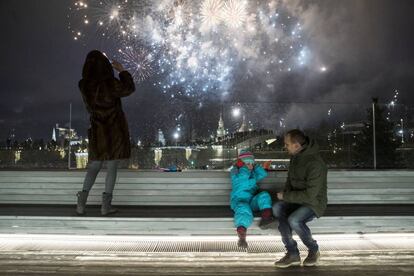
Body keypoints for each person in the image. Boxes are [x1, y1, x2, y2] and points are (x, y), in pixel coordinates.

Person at [76, 50, 135, 216]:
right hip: (114, 130)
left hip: (97, 130)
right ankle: (105, 206)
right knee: (112, 167)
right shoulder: (110, 83)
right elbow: (129, 88)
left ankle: (81, 204)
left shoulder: (83, 85)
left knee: (94, 166)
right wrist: (122, 70)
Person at [273, 129, 327, 268]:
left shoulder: (315, 164)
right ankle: (292, 253)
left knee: (294, 220)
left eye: (287, 144)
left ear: (297, 145)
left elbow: (310, 195)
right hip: (297, 201)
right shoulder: (295, 157)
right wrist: (286, 195)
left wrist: (286, 196)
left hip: (313, 203)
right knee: (278, 208)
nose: (285, 147)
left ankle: (314, 250)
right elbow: (289, 181)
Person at [230, 150, 276, 248]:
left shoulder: (251, 173)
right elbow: (242, 181)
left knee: (264, 195)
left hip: (251, 201)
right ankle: (242, 233)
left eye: (251, 163)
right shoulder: (236, 172)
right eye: (247, 163)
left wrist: (259, 167)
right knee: (244, 208)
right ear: (241, 164)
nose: (250, 166)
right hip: (239, 201)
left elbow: (262, 175)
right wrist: (243, 168)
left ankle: (266, 218)